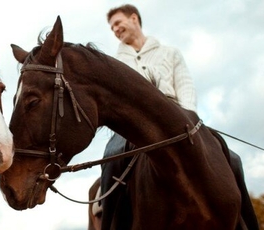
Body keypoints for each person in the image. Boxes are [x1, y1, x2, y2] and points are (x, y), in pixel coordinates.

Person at [98, 4, 259, 230]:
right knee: (111, 156)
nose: (115, 29)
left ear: (134, 18)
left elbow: (185, 86)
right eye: (112, 27)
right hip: (133, 127)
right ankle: (109, 224)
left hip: (179, 118)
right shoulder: (116, 63)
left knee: (232, 159)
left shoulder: (169, 53)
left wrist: (187, 118)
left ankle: (248, 224)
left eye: (117, 22)